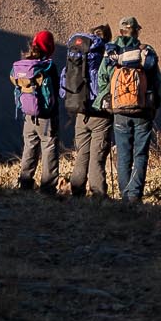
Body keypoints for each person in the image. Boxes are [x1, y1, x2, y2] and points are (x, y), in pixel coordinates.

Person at [99, 16, 160, 203]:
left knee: (124, 154)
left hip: (119, 112)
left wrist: (106, 101)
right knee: (140, 153)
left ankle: (125, 194)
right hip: (142, 110)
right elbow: (156, 81)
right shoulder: (145, 52)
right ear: (137, 31)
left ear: (120, 32)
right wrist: (154, 104)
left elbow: (102, 78)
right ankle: (134, 195)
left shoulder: (112, 53)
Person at [62, 25, 113, 197]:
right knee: (97, 156)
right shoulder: (104, 59)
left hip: (80, 111)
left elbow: (64, 85)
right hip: (100, 114)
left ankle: (77, 191)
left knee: (82, 154)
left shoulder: (76, 56)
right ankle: (98, 194)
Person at [10, 30, 60, 193]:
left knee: (29, 147)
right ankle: (48, 188)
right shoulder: (48, 66)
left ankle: (24, 183)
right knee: (49, 147)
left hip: (28, 114)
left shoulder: (23, 64)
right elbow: (57, 89)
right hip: (46, 116)